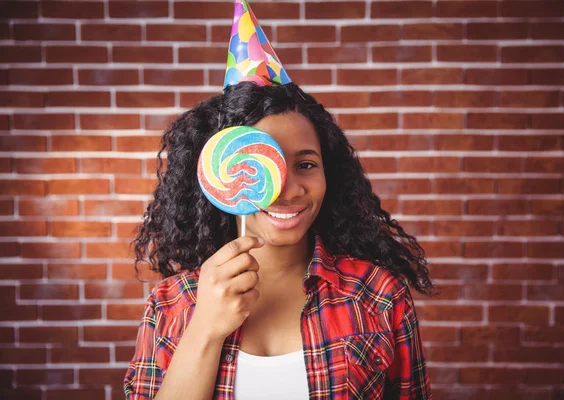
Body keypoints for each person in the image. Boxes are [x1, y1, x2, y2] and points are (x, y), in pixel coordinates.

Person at [123, 81, 434, 400]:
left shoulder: (380, 295)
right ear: (222, 178)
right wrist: (204, 328)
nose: (288, 189)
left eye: (305, 165)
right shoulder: (169, 304)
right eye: (259, 166)